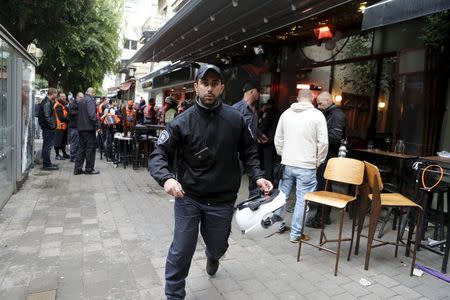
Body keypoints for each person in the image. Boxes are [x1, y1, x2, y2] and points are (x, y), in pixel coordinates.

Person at [149, 64, 273, 300]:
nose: (209, 88)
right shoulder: (181, 122)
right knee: (181, 249)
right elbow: (158, 154)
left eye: (215, 84)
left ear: (221, 88)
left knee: (218, 247)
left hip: (222, 200)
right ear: (196, 86)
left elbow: (250, 152)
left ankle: (212, 255)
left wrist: (258, 176)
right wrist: (166, 178)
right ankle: (174, 295)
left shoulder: (235, 119)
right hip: (189, 197)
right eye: (205, 83)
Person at [274, 89, 328, 243]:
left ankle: (278, 226)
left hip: (287, 163)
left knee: (281, 197)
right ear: (312, 99)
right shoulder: (318, 115)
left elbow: (278, 139)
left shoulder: (286, 114)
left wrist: (283, 155)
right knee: (302, 200)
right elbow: (323, 143)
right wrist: (319, 161)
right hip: (307, 165)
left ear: (297, 98)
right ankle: (296, 234)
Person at [307, 91, 346, 228]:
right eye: (317, 104)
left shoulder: (337, 115)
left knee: (324, 186)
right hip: (327, 155)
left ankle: (321, 219)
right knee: (325, 186)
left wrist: (317, 136)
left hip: (330, 156)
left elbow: (335, 137)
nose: (318, 106)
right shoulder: (329, 113)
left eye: (320, 103)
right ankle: (323, 217)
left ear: (329, 101)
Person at [232, 81, 265, 197]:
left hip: (253, 150)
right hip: (239, 151)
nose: (259, 94)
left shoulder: (254, 109)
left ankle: (254, 199)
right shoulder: (236, 109)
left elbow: (252, 126)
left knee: (254, 176)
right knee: (234, 177)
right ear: (252, 91)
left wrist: (260, 134)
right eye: (258, 91)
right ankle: (228, 200)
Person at [74, 87, 100, 175]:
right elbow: (92, 115)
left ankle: (77, 169)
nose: (94, 95)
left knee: (81, 149)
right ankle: (89, 169)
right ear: (92, 93)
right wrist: (97, 125)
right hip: (88, 129)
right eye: (94, 94)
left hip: (81, 128)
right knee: (90, 149)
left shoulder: (81, 101)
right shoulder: (90, 101)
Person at [38, 87, 59, 170]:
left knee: (47, 146)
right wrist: (52, 126)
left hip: (47, 127)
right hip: (48, 128)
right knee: (47, 146)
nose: (56, 96)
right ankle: (46, 164)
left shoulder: (48, 102)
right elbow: (47, 117)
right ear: (53, 94)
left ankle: (47, 163)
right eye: (56, 94)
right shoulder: (47, 102)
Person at [53, 92, 69, 160]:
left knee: (63, 141)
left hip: (63, 126)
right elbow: (61, 117)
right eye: (62, 96)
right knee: (57, 142)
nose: (64, 98)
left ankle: (64, 154)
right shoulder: (58, 105)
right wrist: (69, 118)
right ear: (59, 97)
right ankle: (57, 155)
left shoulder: (62, 105)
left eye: (64, 96)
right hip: (59, 127)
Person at [68, 92, 83, 162]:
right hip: (73, 126)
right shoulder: (72, 104)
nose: (82, 99)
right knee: (74, 142)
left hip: (79, 126)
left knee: (78, 142)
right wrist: (80, 111)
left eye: (82, 97)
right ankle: (73, 157)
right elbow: (71, 112)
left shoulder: (80, 104)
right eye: (80, 97)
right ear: (77, 97)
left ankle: (76, 156)